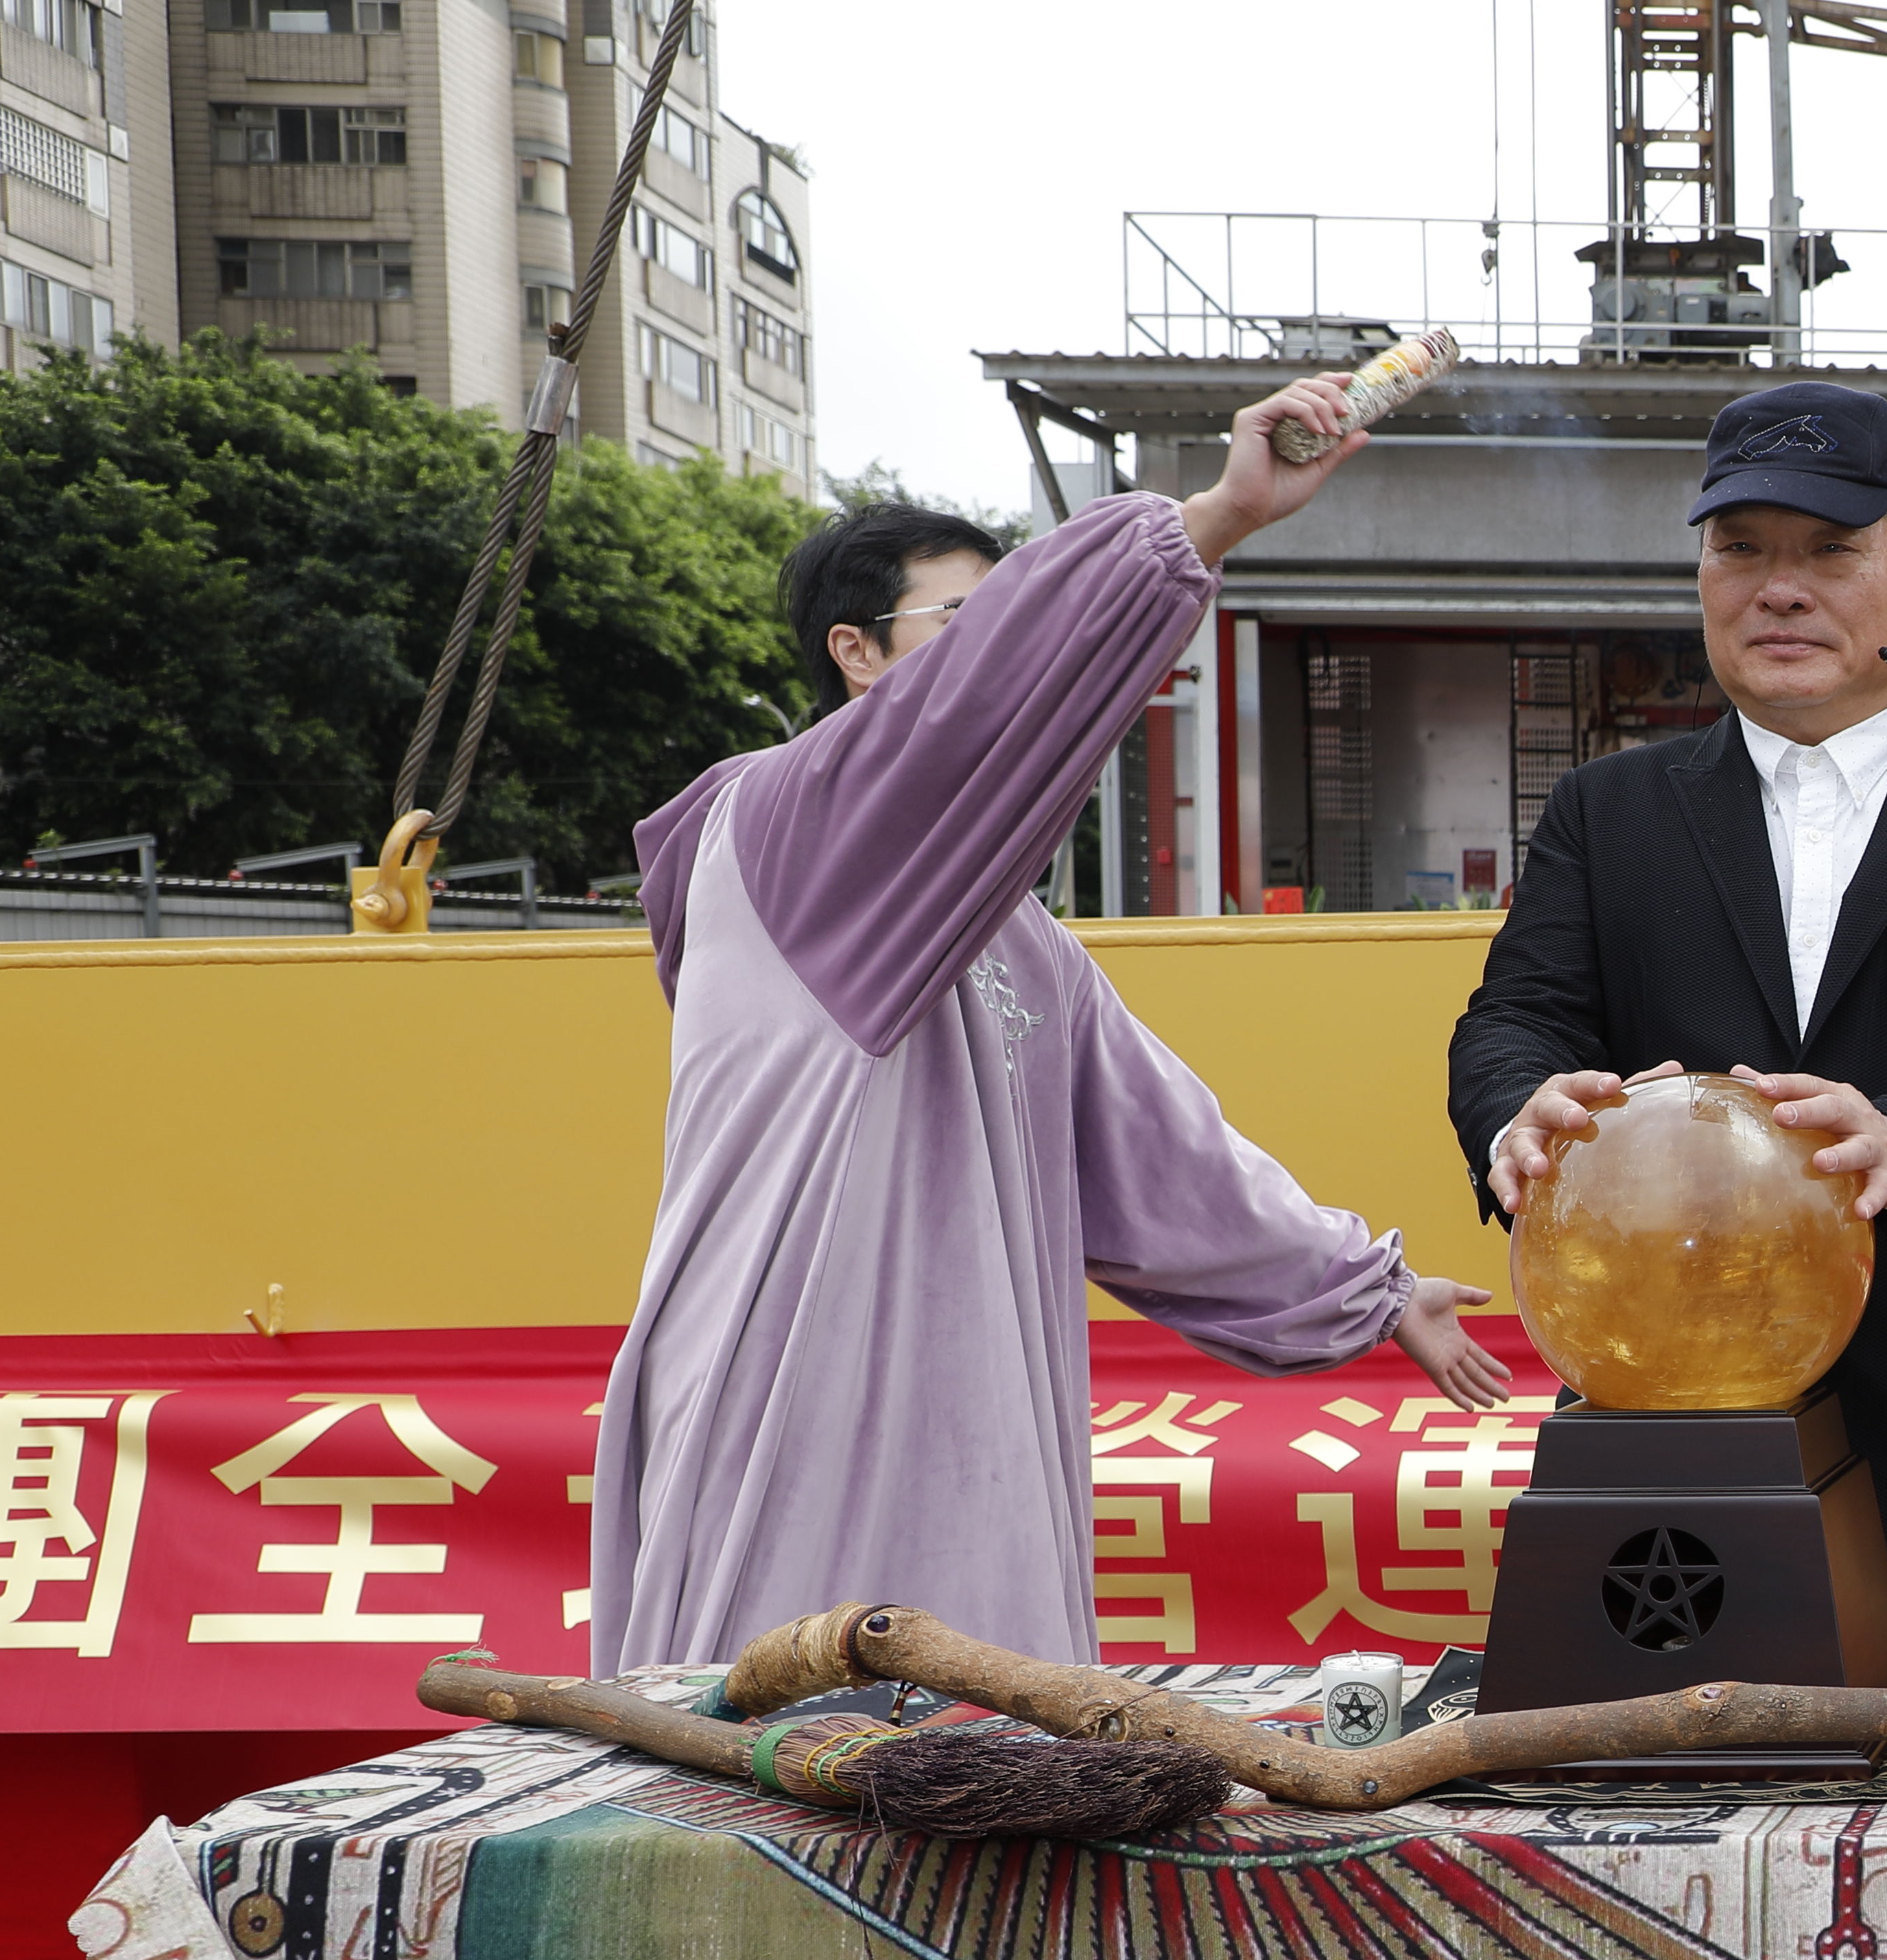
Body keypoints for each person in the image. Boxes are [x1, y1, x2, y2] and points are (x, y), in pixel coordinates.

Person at [587, 385, 1508, 1671]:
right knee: (783, 1743)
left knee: (986, 1755)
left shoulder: (1024, 945)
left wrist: (1371, 1288)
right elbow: (982, 709)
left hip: (976, 1420)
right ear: (857, 655)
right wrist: (1217, 517)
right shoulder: (778, 822)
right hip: (796, 1377)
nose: (994, 656)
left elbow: (1163, 1156)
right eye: (962, 624)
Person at [1445, 381, 1887, 1677]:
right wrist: (1513, 1109)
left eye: (1830, 550)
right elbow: (1513, 1016)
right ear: (1703, 584)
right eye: (1742, 550)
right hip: (1675, 1452)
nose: (1781, 588)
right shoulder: (1605, 810)